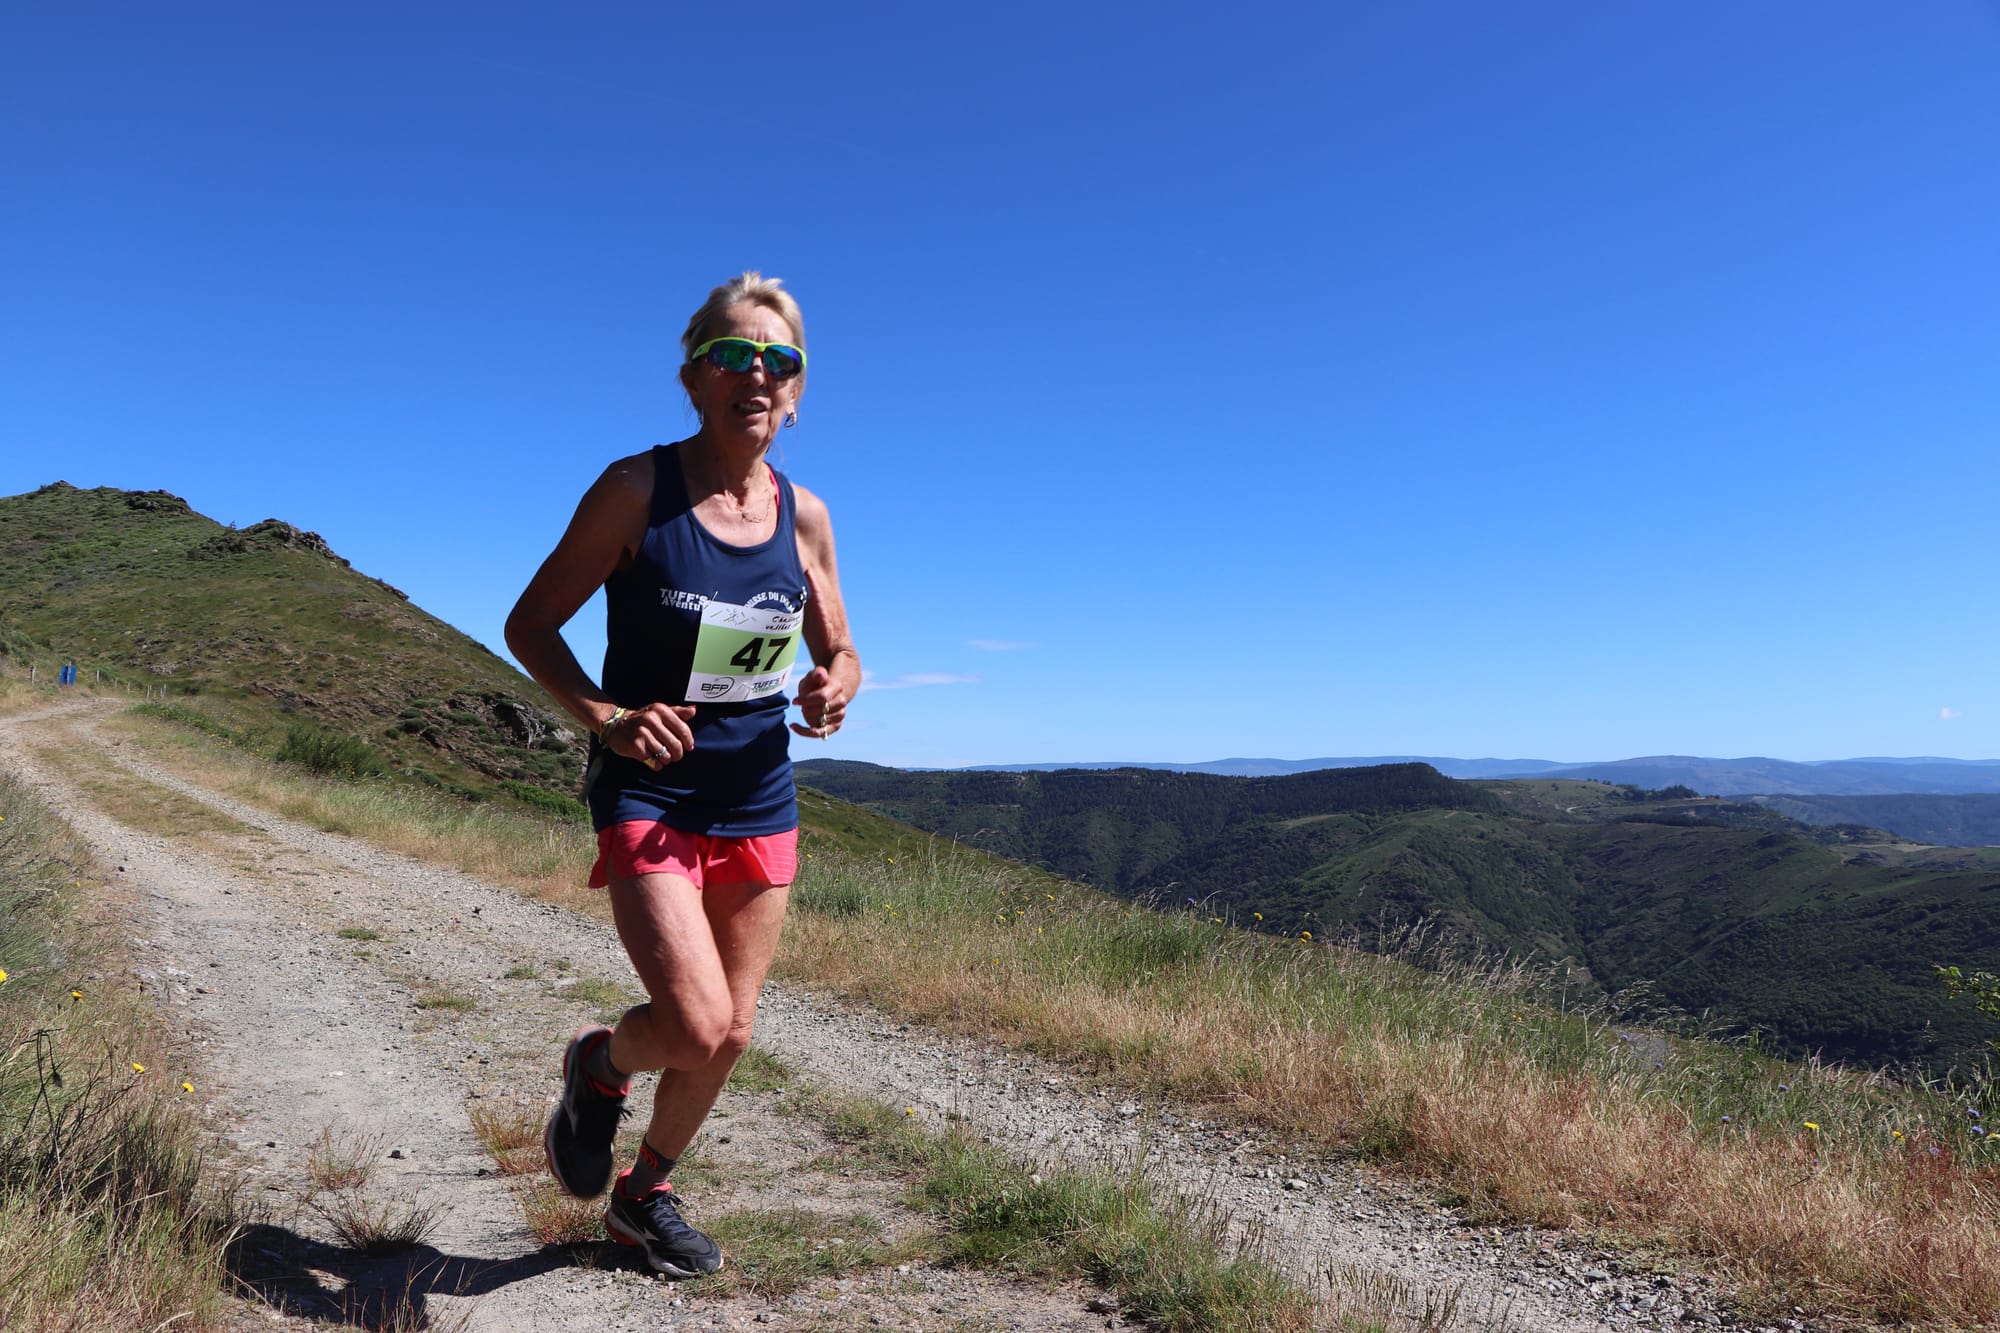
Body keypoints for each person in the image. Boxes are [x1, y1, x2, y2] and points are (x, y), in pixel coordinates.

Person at [504, 272, 860, 1278]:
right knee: (692, 1020)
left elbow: (842, 648)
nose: (755, 374)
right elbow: (530, 624)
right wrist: (607, 717)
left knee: (731, 1032)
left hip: (758, 793)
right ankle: (599, 1063)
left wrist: (836, 684)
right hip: (650, 790)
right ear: (693, 376)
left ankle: (641, 1195)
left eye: (776, 361)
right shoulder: (634, 492)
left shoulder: (807, 517)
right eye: (731, 355)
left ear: (795, 392)